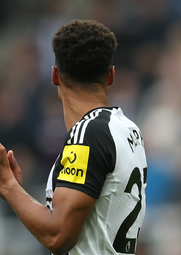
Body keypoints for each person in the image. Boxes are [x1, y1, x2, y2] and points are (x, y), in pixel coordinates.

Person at [0, 20, 147, 255]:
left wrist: (7, 186)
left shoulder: (88, 134)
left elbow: (58, 235)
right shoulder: (129, 129)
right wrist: (19, 194)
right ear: (111, 75)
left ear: (55, 76)